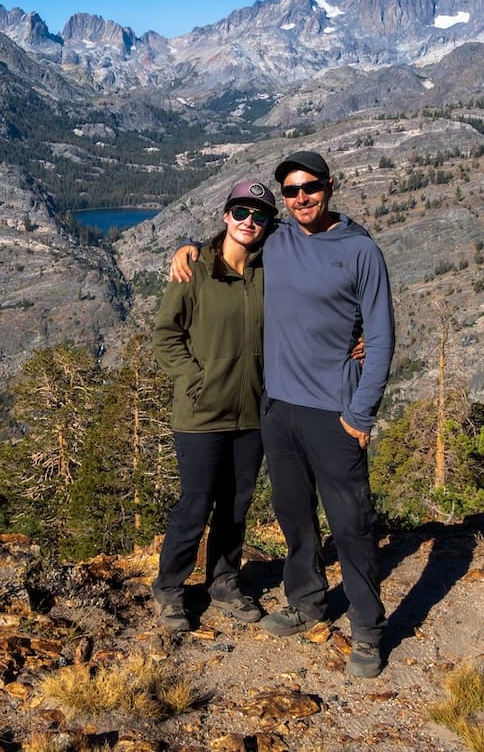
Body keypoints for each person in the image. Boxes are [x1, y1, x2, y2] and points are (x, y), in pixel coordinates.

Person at [171, 151, 395, 677]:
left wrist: (361, 414)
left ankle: (368, 628)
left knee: (351, 522)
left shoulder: (360, 250)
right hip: (278, 408)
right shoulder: (277, 238)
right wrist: (187, 250)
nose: (300, 198)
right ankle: (308, 601)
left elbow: (381, 337)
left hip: (334, 412)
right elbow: (234, 242)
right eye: (291, 191)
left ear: (330, 187)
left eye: (310, 188)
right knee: (295, 515)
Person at [150, 179, 276, 632]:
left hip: (253, 412)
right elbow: (166, 335)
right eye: (241, 212)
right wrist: (194, 380)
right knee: (196, 502)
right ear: (225, 215)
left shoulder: (271, 269)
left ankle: (223, 581)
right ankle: (169, 588)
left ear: (268, 225)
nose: (249, 222)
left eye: (259, 216)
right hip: (201, 413)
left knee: (237, 503)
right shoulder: (195, 269)